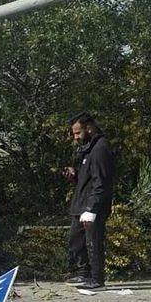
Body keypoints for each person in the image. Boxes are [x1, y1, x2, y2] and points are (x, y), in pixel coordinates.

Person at [62, 113, 115, 290]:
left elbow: (101, 182)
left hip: (93, 205)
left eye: (78, 133)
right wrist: (75, 175)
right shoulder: (88, 148)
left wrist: (92, 208)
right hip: (80, 204)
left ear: (89, 128)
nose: (75, 137)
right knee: (76, 241)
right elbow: (87, 178)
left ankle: (97, 279)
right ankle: (83, 273)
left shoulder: (100, 148)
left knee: (93, 241)